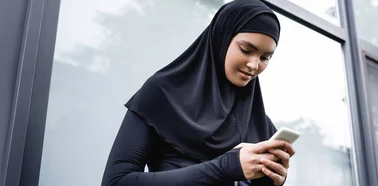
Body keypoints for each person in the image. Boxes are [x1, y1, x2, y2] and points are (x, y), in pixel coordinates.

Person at [101, 0, 295, 185]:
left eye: (265, 57)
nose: (254, 65)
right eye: (246, 49)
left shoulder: (260, 125)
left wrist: (269, 180)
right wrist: (226, 167)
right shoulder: (163, 95)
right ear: (222, 37)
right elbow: (116, 181)